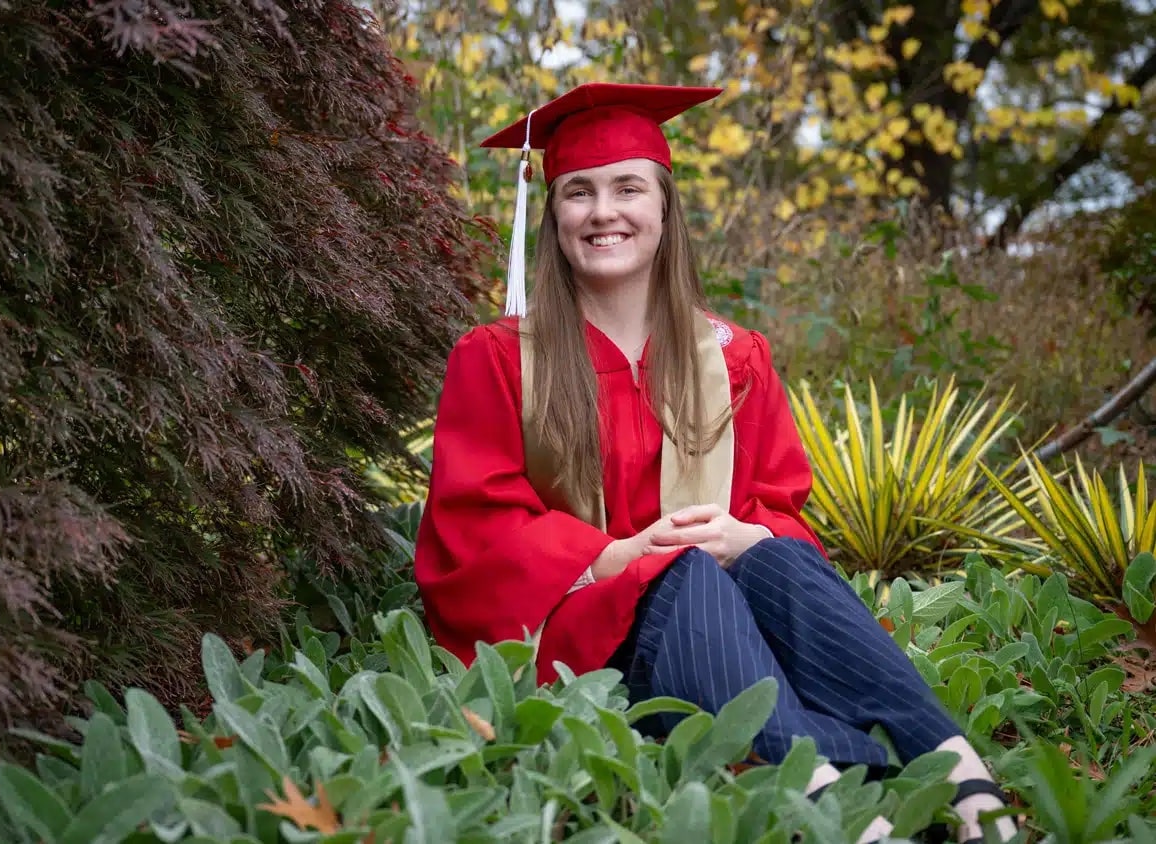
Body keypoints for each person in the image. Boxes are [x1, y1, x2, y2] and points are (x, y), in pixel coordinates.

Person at [412, 82, 1021, 844]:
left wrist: (746, 535)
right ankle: (831, 796)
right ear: (554, 216)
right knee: (684, 570)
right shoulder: (500, 359)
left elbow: (779, 501)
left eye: (627, 188)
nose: (604, 212)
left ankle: (963, 777)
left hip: (724, 623)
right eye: (579, 192)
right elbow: (475, 525)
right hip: (583, 634)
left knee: (777, 560)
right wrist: (615, 556)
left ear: (665, 210)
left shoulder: (734, 357)